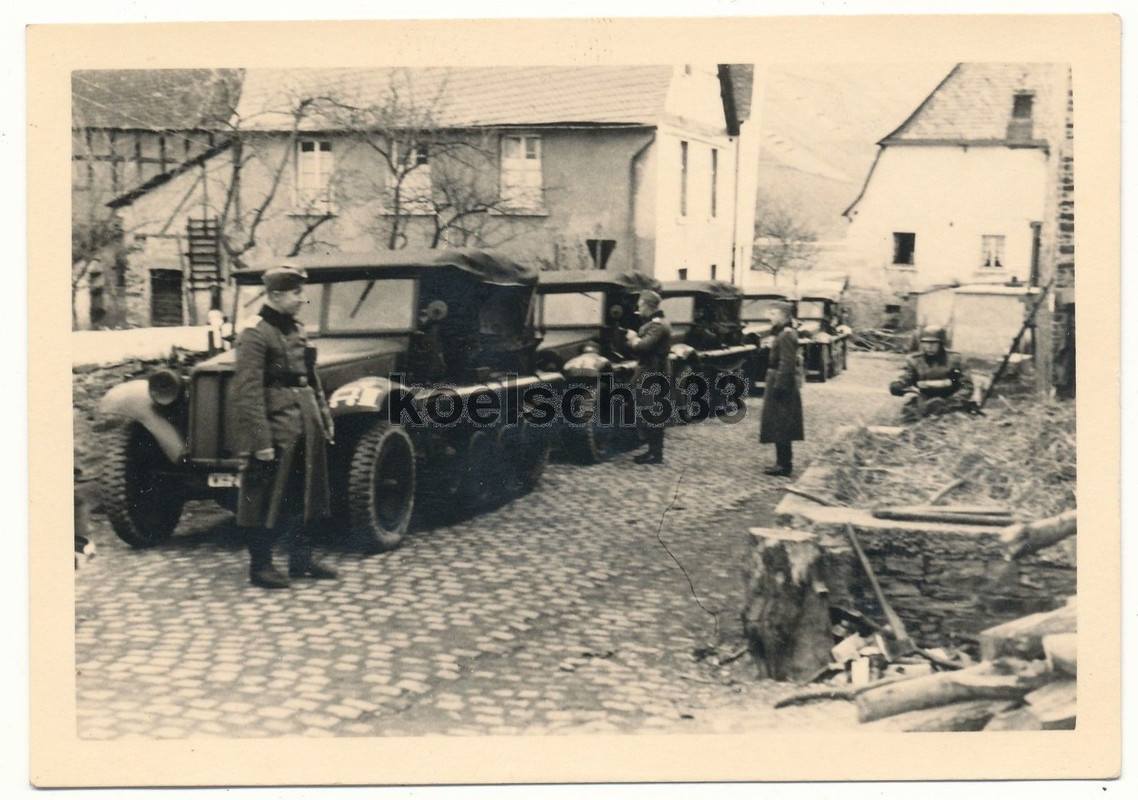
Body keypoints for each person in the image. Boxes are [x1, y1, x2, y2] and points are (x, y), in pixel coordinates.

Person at [233, 264, 338, 589]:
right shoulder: (254, 333)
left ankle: (301, 560)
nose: (302, 299)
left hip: (304, 424)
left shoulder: (296, 329)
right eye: (296, 293)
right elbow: (247, 393)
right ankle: (260, 566)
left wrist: (323, 416)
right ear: (275, 295)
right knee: (264, 497)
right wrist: (260, 441)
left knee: (303, 492)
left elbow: (311, 378)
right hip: (276, 429)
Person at [623, 289, 673, 465]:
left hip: (651, 371)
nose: (639, 310)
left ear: (647, 305)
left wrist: (633, 338)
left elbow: (643, 347)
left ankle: (655, 453)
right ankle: (653, 451)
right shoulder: (656, 323)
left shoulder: (657, 325)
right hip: (653, 370)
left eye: (640, 306)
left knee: (649, 411)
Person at [890, 326, 977, 422]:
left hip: (951, 402)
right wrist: (898, 384)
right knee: (908, 420)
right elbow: (907, 377)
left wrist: (951, 402)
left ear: (941, 344)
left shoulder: (956, 360)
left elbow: (967, 387)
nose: (929, 347)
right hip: (925, 401)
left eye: (933, 343)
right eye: (925, 343)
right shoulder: (916, 360)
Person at [759, 301, 804, 477]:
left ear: (783, 315)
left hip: (781, 381)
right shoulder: (782, 333)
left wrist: (779, 385)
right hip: (778, 378)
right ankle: (782, 462)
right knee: (779, 422)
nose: (770, 317)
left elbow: (787, 362)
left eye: (773, 313)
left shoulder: (786, 335)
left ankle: (784, 465)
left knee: (782, 422)